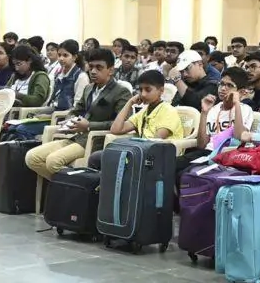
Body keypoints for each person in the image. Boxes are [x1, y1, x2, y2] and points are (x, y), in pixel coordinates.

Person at [25, 48, 128, 181]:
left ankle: (71, 187)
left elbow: (123, 124)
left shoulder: (121, 92)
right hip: (77, 137)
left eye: (99, 67)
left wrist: (89, 126)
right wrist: (69, 121)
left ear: (111, 70)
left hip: (97, 141)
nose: (93, 71)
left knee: (53, 161)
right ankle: (67, 185)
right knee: (32, 157)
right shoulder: (89, 88)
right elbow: (76, 110)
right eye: (91, 67)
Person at [87, 70, 185, 169]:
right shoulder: (144, 112)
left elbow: (156, 141)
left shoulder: (168, 111)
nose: (143, 94)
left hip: (159, 158)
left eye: (148, 90)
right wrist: (129, 103)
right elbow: (116, 129)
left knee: (100, 158)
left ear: (161, 90)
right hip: (142, 153)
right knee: (97, 157)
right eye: (140, 90)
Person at [8, 44, 51, 108]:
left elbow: (37, 101)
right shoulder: (15, 76)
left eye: (19, 64)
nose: (16, 68)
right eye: (14, 65)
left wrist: (16, 95)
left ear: (30, 60)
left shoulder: (41, 76)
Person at [50, 39, 89, 110]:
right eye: (59, 55)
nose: (61, 58)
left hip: (68, 115)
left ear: (74, 57)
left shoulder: (81, 76)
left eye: (65, 55)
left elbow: (77, 108)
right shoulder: (58, 74)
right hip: (54, 111)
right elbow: (52, 101)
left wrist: (53, 115)